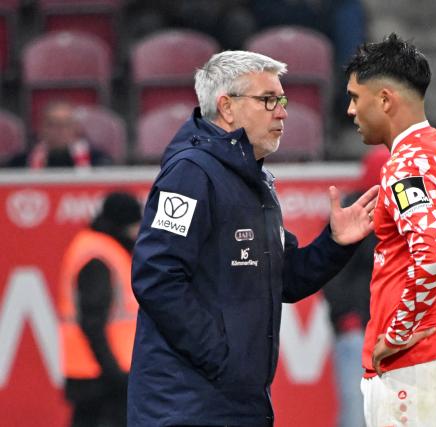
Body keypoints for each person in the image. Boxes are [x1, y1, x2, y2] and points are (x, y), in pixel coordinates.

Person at [127, 50, 378, 427]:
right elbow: (156, 277)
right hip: (187, 406)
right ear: (226, 108)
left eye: (282, 100)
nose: (283, 112)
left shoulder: (253, 180)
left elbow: (286, 278)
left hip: (235, 403)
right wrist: (222, 358)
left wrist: (336, 243)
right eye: (268, 100)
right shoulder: (189, 173)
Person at [344, 33, 436, 427]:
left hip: (416, 368)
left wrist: (398, 333)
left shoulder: (407, 163)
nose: (349, 110)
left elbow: (433, 255)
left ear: (384, 100)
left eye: (355, 98)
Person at [57, 191, 142, 427]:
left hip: (94, 375)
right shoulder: (100, 255)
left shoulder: (97, 248)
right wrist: (114, 373)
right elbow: (93, 322)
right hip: (102, 378)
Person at [323, 145, 389, 427]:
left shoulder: (406, 214)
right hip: (359, 328)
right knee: (357, 411)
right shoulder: (350, 212)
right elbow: (331, 271)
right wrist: (347, 317)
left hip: (397, 332)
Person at [6, 100, 112, 168]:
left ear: (76, 128)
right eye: (52, 125)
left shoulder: (97, 160)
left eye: (66, 124)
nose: (60, 130)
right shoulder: (22, 162)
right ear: (41, 129)